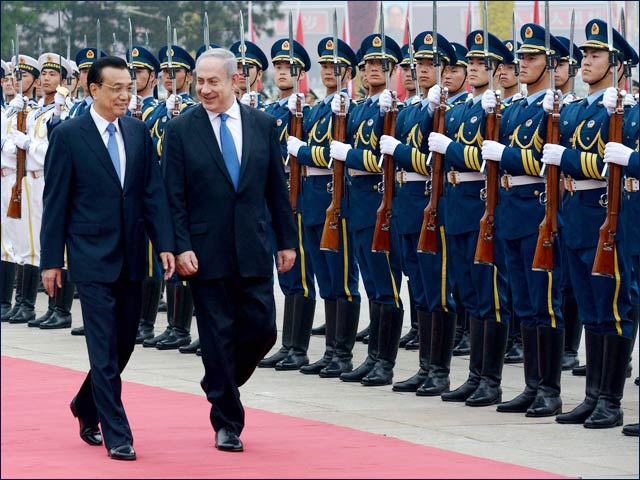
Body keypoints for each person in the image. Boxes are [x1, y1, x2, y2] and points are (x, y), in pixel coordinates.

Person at [40, 56, 176, 460]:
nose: (124, 95)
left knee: (124, 343)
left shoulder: (137, 132)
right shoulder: (68, 135)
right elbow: (56, 201)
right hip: (90, 255)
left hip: (133, 254)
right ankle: (117, 432)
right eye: (115, 88)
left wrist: (165, 243)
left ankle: (84, 405)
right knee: (102, 346)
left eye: (127, 87)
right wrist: (52, 260)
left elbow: (152, 193)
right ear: (93, 90)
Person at [162, 48, 297, 452]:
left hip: (253, 246)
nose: (203, 89)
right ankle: (227, 421)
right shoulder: (181, 129)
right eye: (199, 82)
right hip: (205, 252)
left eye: (212, 81)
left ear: (236, 81)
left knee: (263, 330)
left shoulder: (263, 125)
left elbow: (277, 188)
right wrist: (180, 246)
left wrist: (286, 241)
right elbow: (174, 196)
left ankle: (218, 380)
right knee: (217, 335)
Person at [544, 19, 635, 429]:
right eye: (584, 54)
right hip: (576, 217)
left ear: (618, 65)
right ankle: (593, 395)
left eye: (596, 55)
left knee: (613, 308)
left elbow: (602, 164)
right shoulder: (578, 109)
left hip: (608, 215)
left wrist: (569, 160)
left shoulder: (628, 113)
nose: (586, 61)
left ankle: (610, 401)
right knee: (590, 310)